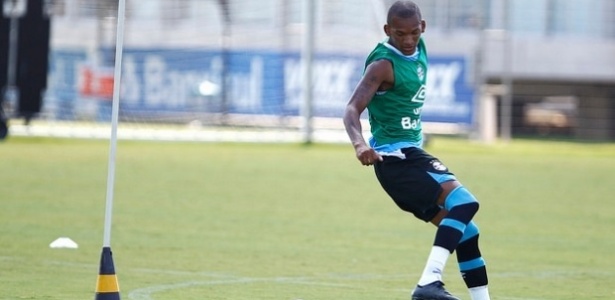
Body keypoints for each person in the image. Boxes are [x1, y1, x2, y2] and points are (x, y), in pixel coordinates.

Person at [342, 1, 491, 300]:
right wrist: (359, 144)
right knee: (464, 203)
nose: (408, 40)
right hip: (396, 158)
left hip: (406, 160)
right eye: (400, 34)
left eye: (413, 33)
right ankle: (428, 283)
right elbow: (352, 108)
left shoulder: (419, 48)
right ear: (388, 31)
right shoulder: (383, 64)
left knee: (468, 232)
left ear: (423, 28)